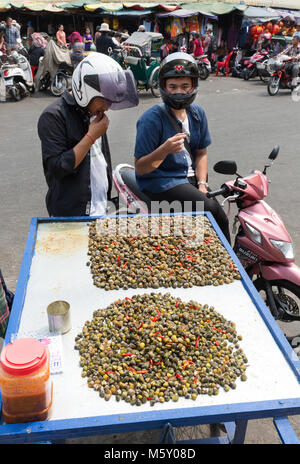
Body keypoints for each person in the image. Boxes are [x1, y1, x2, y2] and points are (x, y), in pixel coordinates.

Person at [134, 52, 231, 243]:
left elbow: (201, 152)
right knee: (214, 213)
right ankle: (232, 268)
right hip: (162, 181)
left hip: (190, 179)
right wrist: (164, 150)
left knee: (212, 217)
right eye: (173, 87)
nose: (179, 91)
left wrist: (202, 183)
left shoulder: (197, 114)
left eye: (185, 86)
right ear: (164, 87)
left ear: (193, 86)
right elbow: (141, 167)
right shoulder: (151, 119)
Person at [37, 52, 138, 217]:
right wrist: (91, 137)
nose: (108, 107)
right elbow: (58, 168)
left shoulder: (93, 111)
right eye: (105, 100)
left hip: (100, 207)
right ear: (85, 90)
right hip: (71, 214)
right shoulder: (53, 116)